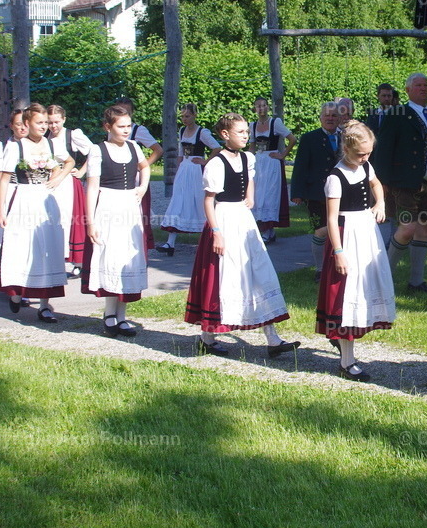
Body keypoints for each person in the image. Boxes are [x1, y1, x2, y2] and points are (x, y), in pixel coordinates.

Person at [184, 113, 298, 357]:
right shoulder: (216, 163)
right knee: (225, 277)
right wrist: (216, 232)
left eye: (247, 131)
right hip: (224, 219)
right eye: (241, 132)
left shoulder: (248, 158)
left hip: (244, 221)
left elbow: (250, 179)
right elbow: (209, 200)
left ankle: (273, 339)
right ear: (225, 135)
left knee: (259, 271)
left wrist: (250, 195)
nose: (246, 135)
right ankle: (208, 337)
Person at [317, 120, 395, 381]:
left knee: (363, 289)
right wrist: (338, 252)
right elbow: (330, 219)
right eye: (360, 154)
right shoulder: (335, 178)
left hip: (365, 230)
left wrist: (380, 203)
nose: (365, 158)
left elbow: (376, 184)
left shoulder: (366, 166)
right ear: (346, 149)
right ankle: (346, 361)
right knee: (347, 293)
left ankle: (347, 354)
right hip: (346, 233)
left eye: (369, 153)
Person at [0, 103, 74, 323]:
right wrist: (0, 209)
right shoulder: (16, 147)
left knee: (49, 249)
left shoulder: (50, 144)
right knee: (22, 247)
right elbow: (2, 178)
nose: (44, 126)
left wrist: (58, 177)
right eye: (40, 122)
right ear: (27, 124)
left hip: (46, 200)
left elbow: (69, 162)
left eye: (46, 122)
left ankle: (45, 306)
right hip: (23, 198)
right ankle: (17, 293)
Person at [372, 72, 427, 293]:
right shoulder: (398, 113)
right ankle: (382, 279)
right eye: (418, 85)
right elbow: (384, 148)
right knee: (407, 228)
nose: (423, 88)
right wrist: (382, 181)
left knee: (424, 229)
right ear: (407, 90)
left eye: (426, 84)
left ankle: (416, 281)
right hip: (405, 183)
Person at [82, 105, 151, 337]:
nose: (126, 130)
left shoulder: (133, 147)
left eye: (128, 126)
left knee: (126, 260)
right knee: (111, 258)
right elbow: (91, 187)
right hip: (108, 206)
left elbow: (145, 167)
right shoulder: (97, 150)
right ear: (107, 127)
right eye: (121, 126)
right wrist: (90, 221)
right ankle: (109, 314)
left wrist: (142, 186)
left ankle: (122, 316)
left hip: (129, 207)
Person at [157, 103, 221, 255]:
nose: (185, 119)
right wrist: (178, 169)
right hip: (185, 169)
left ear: (194, 115)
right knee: (178, 202)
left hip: (196, 171)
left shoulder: (201, 132)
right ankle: (170, 243)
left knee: (199, 202)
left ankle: (210, 240)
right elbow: (180, 151)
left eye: (187, 116)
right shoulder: (182, 130)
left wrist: (205, 161)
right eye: (183, 116)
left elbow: (217, 148)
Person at [290, 102, 341, 281]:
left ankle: (338, 263)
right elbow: (300, 167)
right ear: (320, 117)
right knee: (321, 230)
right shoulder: (309, 138)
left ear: (340, 118)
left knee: (341, 230)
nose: (330, 118)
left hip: (342, 195)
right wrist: (297, 192)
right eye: (326, 115)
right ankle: (320, 269)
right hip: (316, 194)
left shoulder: (347, 138)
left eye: (334, 115)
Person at [46, 104, 91, 275]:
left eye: (57, 122)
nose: (53, 126)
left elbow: (93, 152)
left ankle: (75, 260)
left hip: (67, 183)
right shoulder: (45, 137)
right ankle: (55, 256)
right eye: (50, 122)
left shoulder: (72, 135)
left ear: (64, 119)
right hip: (50, 181)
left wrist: (81, 171)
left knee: (68, 219)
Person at [114, 97, 161, 250]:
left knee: (138, 213)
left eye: (126, 111)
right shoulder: (112, 130)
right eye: (119, 111)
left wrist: (142, 166)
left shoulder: (138, 130)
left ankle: (138, 245)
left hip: (133, 178)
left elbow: (158, 149)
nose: (123, 114)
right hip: (116, 177)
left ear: (132, 113)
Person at [249, 96, 295, 245]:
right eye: (258, 106)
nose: (261, 109)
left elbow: (292, 139)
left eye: (263, 106)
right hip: (259, 162)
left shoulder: (275, 123)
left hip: (272, 162)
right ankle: (268, 232)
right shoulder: (253, 125)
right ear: (255, 109)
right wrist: (248, 161)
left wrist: (282, 155)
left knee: (269, 195)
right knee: (257, 194)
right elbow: (252, 146)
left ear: (268, 107)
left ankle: (268, 232)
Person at [0, 109, 27, 284]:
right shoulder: (3, 146)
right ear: (11, 126)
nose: (22, 128)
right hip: (9, 192)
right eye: (18, 124)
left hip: (30, 196)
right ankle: (5, 279)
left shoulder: (39, 146)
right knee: (6, 237)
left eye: (25, 124)